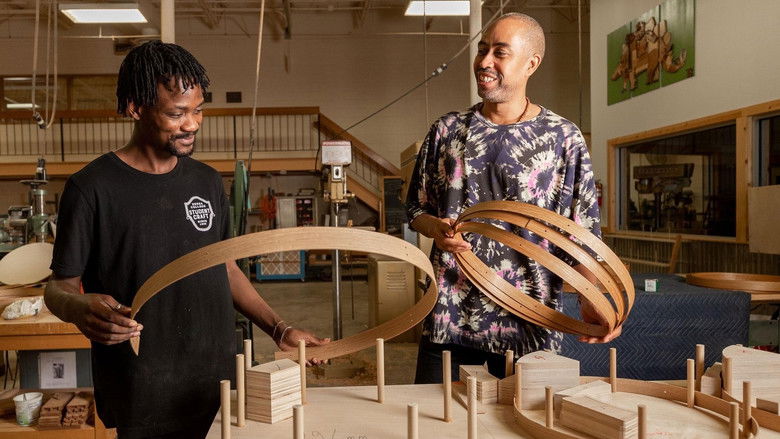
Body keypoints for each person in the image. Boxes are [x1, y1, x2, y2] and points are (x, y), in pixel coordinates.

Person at [44, 41, 328, 439]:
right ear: (136, 108)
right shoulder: (91, 188)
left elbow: (225, 267)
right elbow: (58, 287)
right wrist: (77, 307)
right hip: (142, 386)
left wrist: (280, 330)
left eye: (198, 110)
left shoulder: (207, 182)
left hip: (217, 382)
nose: (192, 124)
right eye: (176, 113)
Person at [406, 13, 621, 384]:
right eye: (482, 50)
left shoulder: (562, 137)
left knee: (528, 415)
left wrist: (592, 297)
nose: (485, 62)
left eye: (500, 53)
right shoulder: (447, 131)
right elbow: (416, 208)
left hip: (530, 321)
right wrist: (435, 228)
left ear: (531, 64)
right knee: (434, 415)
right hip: (450, 317)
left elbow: (582, 232)